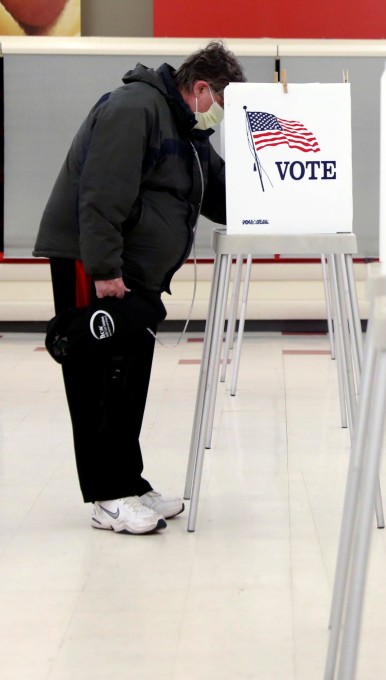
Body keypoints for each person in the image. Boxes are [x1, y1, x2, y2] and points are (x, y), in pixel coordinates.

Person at [33, 41, 246, 534]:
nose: (220, 118)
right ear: (200, 89)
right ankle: (107, 496)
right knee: (95, 376)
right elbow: (102, 192)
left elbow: (220, 192)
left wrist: (275, 208)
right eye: (221, 105)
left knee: (129, 376)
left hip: (137, 272)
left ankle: (129, 481)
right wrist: (105, 267)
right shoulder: (136, 108)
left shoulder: (188, 130)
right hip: (96, 261)